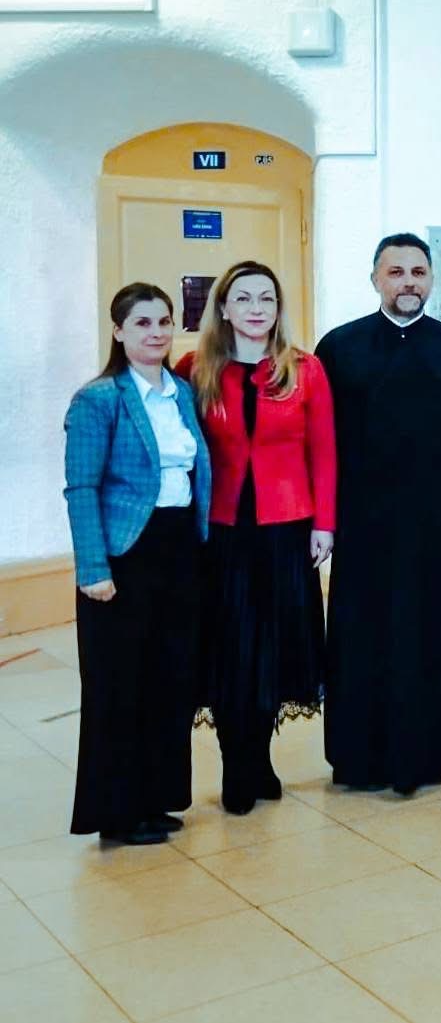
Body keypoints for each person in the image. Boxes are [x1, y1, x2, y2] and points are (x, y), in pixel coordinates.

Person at [314, 233, 441, 794]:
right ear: (375, 279)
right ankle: (359, 756)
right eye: (396, 272)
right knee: (362, 640)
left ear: (431, 280)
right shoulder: (339, 348)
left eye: (418, 272)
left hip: (437, 531)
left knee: (432, 640)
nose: (408, 282)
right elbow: (318, 444)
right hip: (363, 530)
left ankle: (436, 752)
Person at [176, 261, 335, 815]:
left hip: (286, 528)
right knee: (230, 650)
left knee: (273, 649)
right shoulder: (195, 368)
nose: (256, 308)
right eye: (243, 298)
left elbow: (324, 450)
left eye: (266, 298)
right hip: (219, 533)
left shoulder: (304, 370)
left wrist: (325, 523)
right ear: (223, 308)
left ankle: (261, 759)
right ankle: (235, 766)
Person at [64, 283, 210, 844]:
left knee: (170, 679)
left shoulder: (180, 392)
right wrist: (92, 569)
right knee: (119, 684)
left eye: (164, 323)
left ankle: (157, 797)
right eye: (142, 323)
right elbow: (81, 488)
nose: (155, 333)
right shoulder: (98, 399)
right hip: (125, 554)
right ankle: (118, 813)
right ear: (119, 331)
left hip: (178, 549)